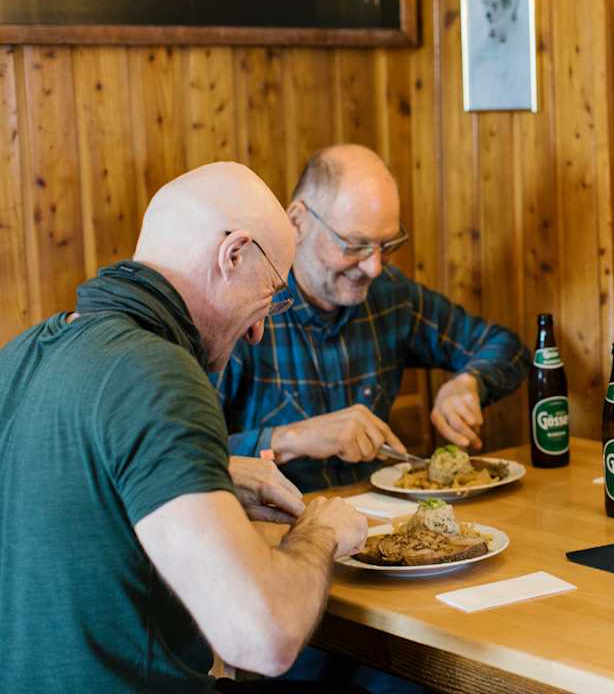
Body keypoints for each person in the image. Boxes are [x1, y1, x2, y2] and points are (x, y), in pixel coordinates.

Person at [0, 163, 369, 692]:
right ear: (233, 254)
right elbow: (263, 637)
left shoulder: (20, 356)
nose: (262, 330)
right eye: (272, 292)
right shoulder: (158, 372)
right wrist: (321, 532)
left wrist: (206, 475)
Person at [214, 144, 531, 492]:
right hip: (270, 532)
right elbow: (182, 458)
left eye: (386, 245)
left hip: (378, 528)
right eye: (354, 245)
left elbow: (507, 347)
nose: (374, 266)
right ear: (297, 222)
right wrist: (291, 438)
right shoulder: (241, 310)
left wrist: (469, 383)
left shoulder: (390, 296)